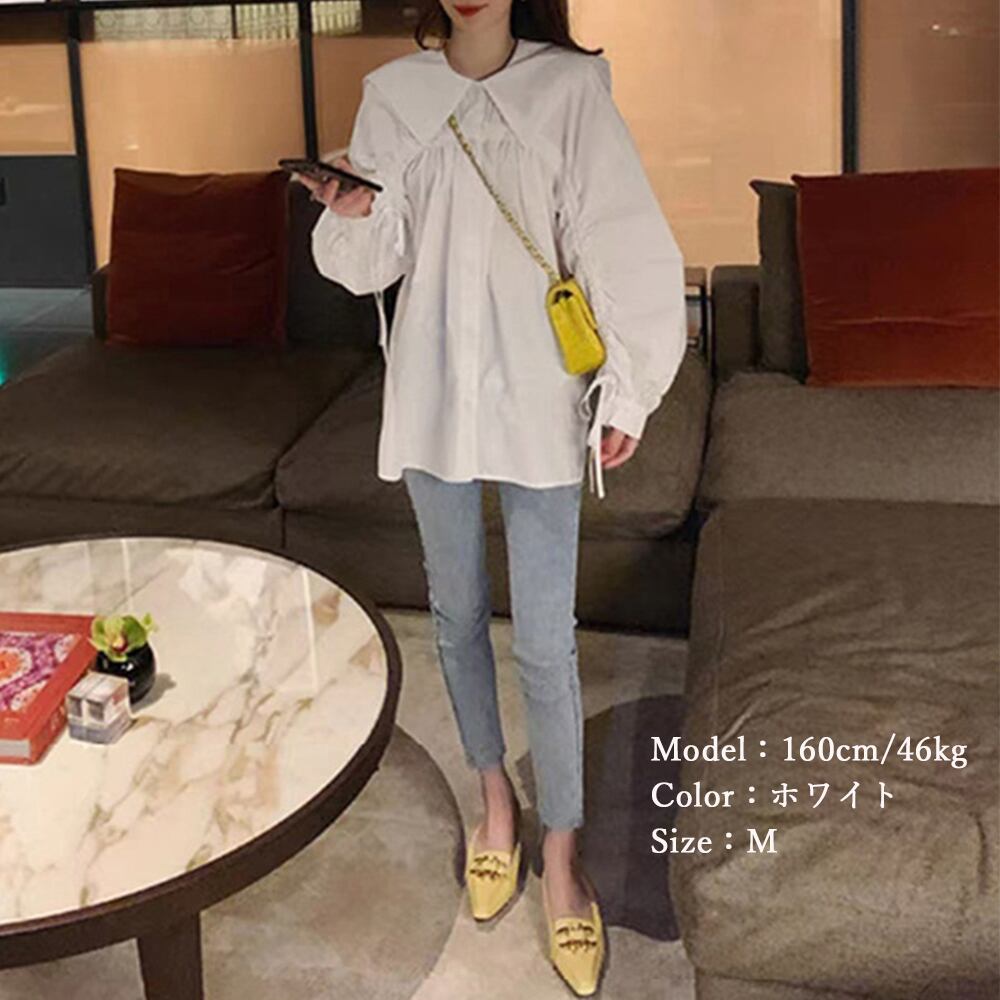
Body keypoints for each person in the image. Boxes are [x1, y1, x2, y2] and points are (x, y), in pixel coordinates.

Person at [293, 0, 687, 994]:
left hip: (539, 399)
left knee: (547, 642)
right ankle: (494, 804)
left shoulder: (570, 88)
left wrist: (629, 385)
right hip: (433, 395)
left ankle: (562, 851)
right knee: (457, 614)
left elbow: (619, 237)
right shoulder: (394, 94)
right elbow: (370, 267)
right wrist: (352, 211)